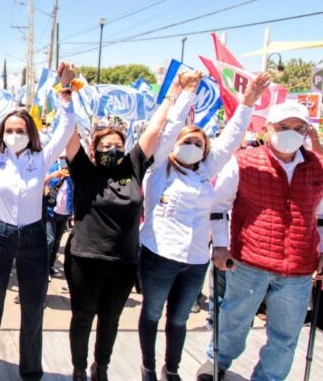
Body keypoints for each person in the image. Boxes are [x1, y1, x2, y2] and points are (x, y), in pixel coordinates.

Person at [62, 70, 195, 381]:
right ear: (93, 150)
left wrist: (173, 91)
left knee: (110, 321)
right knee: (82, 318)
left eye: (117, 146)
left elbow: (157, 127)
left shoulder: (133, 166)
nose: (113, 150)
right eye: (106, 146)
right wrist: (66, 91)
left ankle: (101, 368)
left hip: (123, 262)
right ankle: (79, 370)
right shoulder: (83, 170)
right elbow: (68, 132)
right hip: (85, 259)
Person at [138, 72, 268, 381]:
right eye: (188, 141)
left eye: (199, 142)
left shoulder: (206, 170)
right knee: (152, 314)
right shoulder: (160, 168)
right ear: (175, 145)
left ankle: (171, 368)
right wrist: (188, 92)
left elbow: (233, 137)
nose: (193, 145)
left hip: (195, 260)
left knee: (179, 319)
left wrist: (247, 102)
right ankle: (147, 366)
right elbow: (169, 129)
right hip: (159, 256)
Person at [198, 100, 323, 381]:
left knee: (285, 335)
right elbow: (219, 206)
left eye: (298, 127)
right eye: (283, 127)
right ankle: (215, 360)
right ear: (267, 129)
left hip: (299, 267)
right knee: (234, 320)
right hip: (250, 261)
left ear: (306, 132)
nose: (290, 132)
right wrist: (219, 245)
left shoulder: (319, 166)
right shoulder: (243, 161)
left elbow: (322, 214)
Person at [0, 60, 76, 381]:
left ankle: (31, 371)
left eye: (21, 130)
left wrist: (65, 89)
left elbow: (66, 126)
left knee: (32, 307)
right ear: (2, 134)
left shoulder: (42, 159)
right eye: (10, 130)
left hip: (33, 237)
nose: (15, 134)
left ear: (31, 133)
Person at [43, 151, 74, 277]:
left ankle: (51, 265)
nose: (64, 160)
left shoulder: (73, 172)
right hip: (51, 212)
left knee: (57, 241)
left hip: (65, 212)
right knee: (49, 240)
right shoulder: (52, 168)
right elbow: (42, 182)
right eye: (61, 158)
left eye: (66, 158)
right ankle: (43, 268)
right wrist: (53, 176)